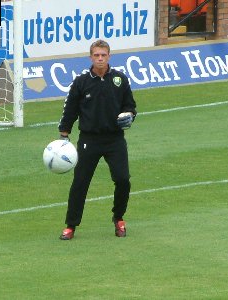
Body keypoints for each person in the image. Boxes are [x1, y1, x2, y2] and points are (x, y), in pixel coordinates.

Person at [58, 39, 137, 240]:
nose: (100, 58)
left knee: (123, 180)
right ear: (90, 57)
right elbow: (70, 110)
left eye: (103, 55)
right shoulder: (81, 82)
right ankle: (70, 226)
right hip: (89, 141)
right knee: (80, 183)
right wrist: (64, 134)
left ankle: (119, 218)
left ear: (109, 56)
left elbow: (130, 106)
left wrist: (129, 115)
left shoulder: (120, 80)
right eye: (96, 55)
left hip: (115, 140)